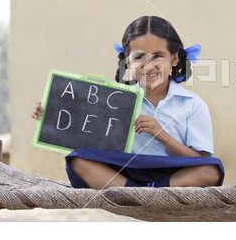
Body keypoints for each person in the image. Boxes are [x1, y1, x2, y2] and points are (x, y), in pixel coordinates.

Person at [32, 16, 224, 189]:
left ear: (174, 58)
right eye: (139, 57)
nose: (149, 65)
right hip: (126, 174)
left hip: (175, 176)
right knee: (78, 160)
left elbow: (200, 162)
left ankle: (145, 192)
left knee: (211, 171)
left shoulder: (192, 105)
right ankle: (136, 192)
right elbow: (87, 136)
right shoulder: (114, 100)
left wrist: (162, 135)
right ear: (128, 62)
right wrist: (51, 113)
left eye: (158, 56)